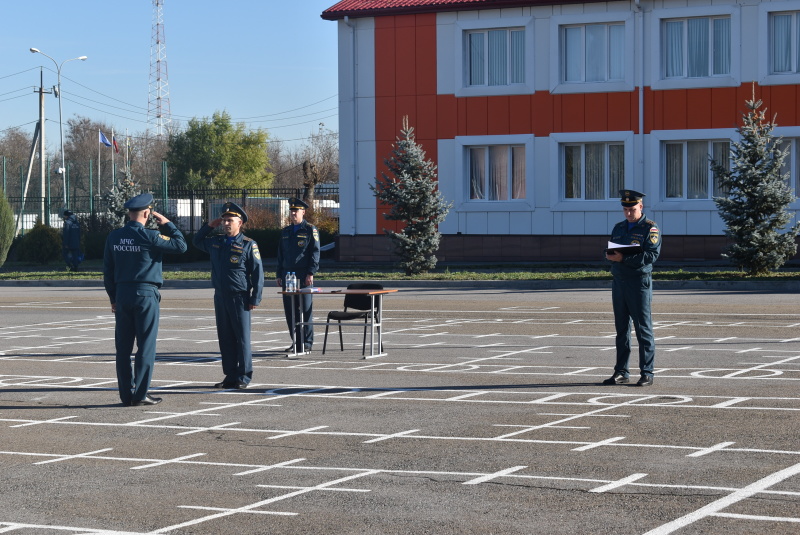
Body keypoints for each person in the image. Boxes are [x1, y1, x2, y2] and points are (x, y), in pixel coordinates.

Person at [103, 193, 187, 406]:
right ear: (147, 213)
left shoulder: (114, 237)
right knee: (146, 346)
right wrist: (168, 224)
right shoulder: (150, 236)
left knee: (123, 348)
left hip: (122, 295)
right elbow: (181, 245)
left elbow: (108, 270)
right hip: (145, 295)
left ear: (129, 214)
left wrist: (113, 297)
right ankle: (140, 394)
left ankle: (125, 394)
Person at [193, 202, 264, 389]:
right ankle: (230, 376)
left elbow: (257, 273)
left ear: (240, 223)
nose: (226, 224)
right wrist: (210, 225)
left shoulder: (249, 244)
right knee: (225, 338)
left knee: (241, 338)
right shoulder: (217, 242)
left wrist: (255, 297)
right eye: (224, 220)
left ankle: (244, 376)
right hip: (221, 296)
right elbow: (196, 241)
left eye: (229, 221)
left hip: (240, 297)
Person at [603, 190, 661, 387]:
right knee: (622, 329)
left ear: (641, 207)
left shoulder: (650, 229)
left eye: (632, 209)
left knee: (643, 328)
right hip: (620, 281)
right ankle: (621, 371)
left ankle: (647, 372)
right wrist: (612, 256)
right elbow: (614, 250)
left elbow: (651, 256)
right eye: (626, 209)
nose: (628, 213)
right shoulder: (619, 227)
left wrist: (623, 258)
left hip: (638, 282)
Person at [276, 197, 320, 352]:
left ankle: (307, 343)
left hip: (303, 275)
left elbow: (315, 252)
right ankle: (296, 342)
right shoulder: (286, 231)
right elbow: (280, 254)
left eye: (296, 211)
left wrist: (311, 272)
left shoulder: (309, 229)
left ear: (303, 212)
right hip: (288, 275)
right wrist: (279, 274)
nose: (293, 213)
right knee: (291, 311)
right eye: (292, 211)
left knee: (305, 309)